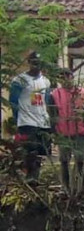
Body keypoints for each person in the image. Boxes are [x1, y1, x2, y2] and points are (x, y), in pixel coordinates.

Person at [49, 69, 84, 196]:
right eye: (61, 77)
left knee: (80, 160)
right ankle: (66, 189)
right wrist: (54, 134)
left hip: (80, 133)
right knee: (64, 161)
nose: (65, 79)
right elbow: (52, 116)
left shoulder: (83, 93)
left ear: (72, 77)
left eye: (67, 76)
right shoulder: (54, 95)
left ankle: (82, 189)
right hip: (63, 134)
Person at [8, 52, 52, 181]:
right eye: (34, 63)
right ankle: (29, 175)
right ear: (29, 63)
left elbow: (47, 101)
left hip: (42, 121)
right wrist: (17, 119)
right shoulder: (19, 80)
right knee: (30, 149)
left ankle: (35, 176)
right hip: (27, 121)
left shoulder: (46, 81)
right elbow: (13, 101)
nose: (36, 66)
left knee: (41, 151)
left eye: (39, 63)